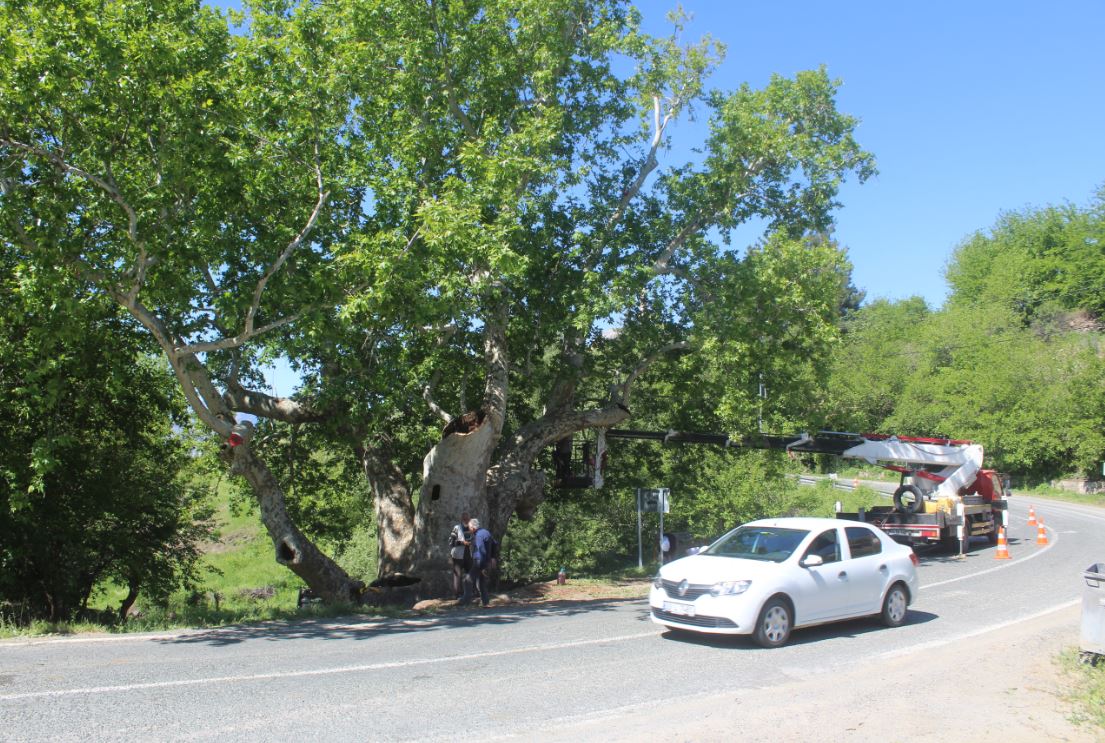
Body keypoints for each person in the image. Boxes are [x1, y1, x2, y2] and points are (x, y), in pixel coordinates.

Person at [459, 517, 493, 607]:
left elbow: (481, 549)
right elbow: (494, 544)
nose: (468, 529)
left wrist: (482, 565)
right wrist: (491, 559)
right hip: (485, 561)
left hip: (479, 561)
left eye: (469, 527)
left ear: (473, 527)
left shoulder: (478, 536)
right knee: (481, 583)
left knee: (467, 580)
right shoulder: (486, 532)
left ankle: (465, 601)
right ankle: (486, 602)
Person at [450, 511, 472, 600]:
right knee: (457, 574)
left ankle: (469, 593)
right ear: (462, 519)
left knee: (469, 573)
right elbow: (451, 542)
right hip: (458, 554)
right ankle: (456, 594)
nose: (466, 519)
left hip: (469, 554)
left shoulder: (472, 528)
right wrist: (462, 542)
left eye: (467, 518)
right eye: (464, 518)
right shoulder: (456, 528)